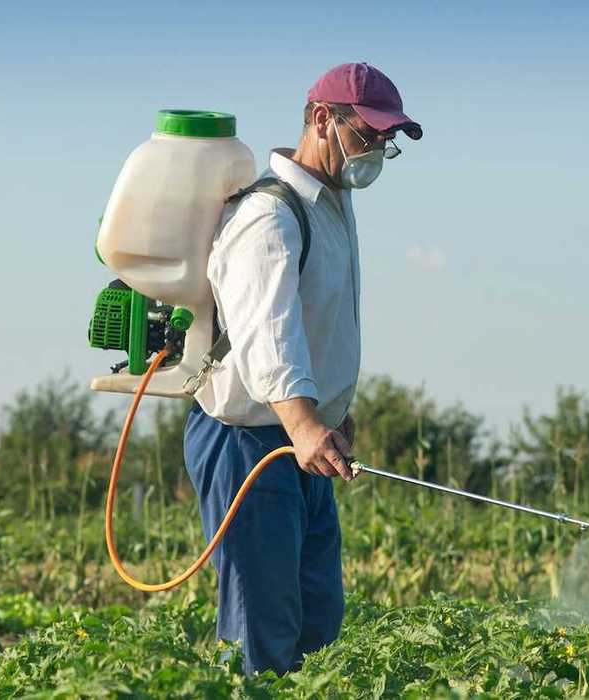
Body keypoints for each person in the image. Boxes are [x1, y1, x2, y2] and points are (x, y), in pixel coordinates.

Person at [185, 62, 422, 675]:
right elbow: (270, 333)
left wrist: (334, 412)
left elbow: (325, 323)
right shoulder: (269, 214)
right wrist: (304, 420)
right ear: (323, 119)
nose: (377, 150)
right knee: (263, 633)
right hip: (250, 441)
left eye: (385, 141)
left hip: (300, 436)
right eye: (368, 134)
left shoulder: (331, 206)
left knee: (317, 621)